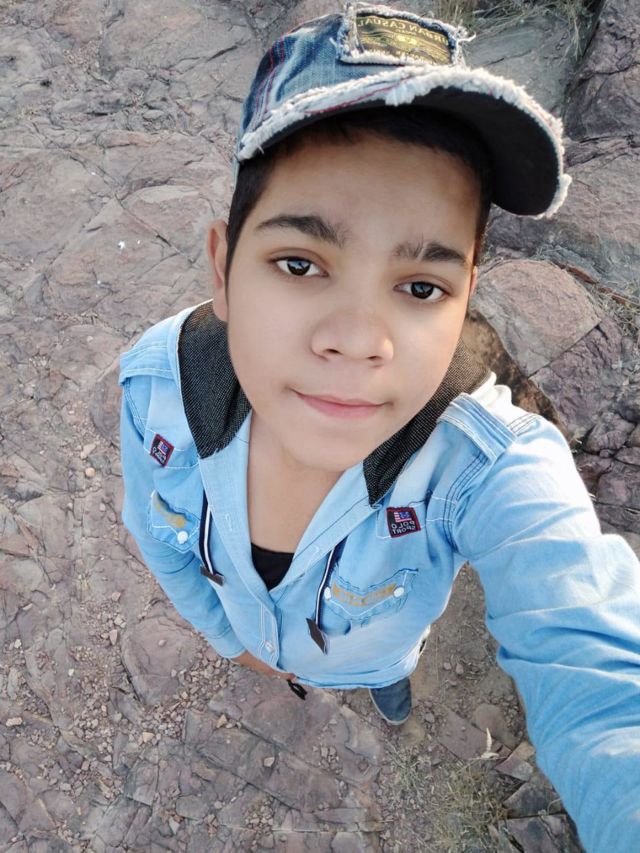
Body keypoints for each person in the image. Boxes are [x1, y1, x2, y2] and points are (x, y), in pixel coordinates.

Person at [118, 4, 640, 850]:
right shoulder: (159, 387)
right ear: (222, 268)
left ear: (465, 300)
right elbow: (154, 531)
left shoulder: (486, 464)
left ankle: (390, 689)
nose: (359, 339)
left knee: (391, 677)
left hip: (378, 650)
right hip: (250, 630)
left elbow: (598, 661)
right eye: (300, 263)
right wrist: (227, 637)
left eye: (422, 287)